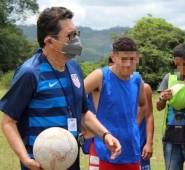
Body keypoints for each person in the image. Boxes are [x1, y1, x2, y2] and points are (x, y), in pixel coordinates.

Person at [0, 7, 121, 170]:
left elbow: (83, 113)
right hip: (39, 165)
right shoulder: (30, 73)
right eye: (70, 36)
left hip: (70, 163)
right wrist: (25, 158)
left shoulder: (74, 69)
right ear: (49, 41)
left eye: (76, 34)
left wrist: (105, 135)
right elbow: (8, 121)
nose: (76, 40)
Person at [84, 37, 146, 170]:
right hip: (103, 151)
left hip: (131, 150)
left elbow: (143, 105)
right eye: (124, 59)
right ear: (114, 57)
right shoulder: (100, 76)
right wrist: (85, 125)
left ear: (137, 58)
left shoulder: (137, 79)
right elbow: (74, 98)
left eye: (132, 59)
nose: (128, 64)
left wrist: (134, 126)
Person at [137, 83, 154, 170]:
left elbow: (149, 116)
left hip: (139, 145)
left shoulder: (144, 88)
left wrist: (149, 143)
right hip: (118, 145)